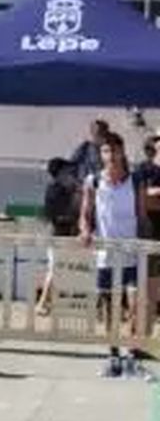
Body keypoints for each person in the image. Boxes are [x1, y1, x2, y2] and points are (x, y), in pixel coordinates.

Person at [81, 132, 143, 378]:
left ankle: (130, 353)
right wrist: (85, 231)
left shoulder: (135, 181)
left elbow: (141, 215)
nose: (111, 156)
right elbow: (85, 213)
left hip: (131, 252)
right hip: (106, 254)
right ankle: (113, 354)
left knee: (135, 302)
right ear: (101, 154)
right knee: (110, 306)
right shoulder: (93, 181)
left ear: (122, 152)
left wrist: (147, 244)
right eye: (105, 151)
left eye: (114, 150)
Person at [35, 156, 82, 314]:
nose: (71, 172)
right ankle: (42, 302)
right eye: (67, 170)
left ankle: (48, 302)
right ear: (60, 172)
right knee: (55, 269)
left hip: (63, 233)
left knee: (59, 269)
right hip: (58, 234)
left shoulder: (66, 188)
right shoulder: (56, 188)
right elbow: (55, 213)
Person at [69, 118, 111, 187]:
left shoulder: (110, 150)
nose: (100, 136)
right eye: (97, 133)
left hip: (103, 188)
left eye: (103, 133)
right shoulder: (84, 148)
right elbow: (70, 166)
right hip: (84, 186)